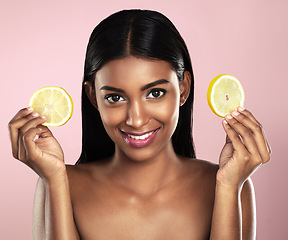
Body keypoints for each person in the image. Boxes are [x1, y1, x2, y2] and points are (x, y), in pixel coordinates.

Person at [8, 9, 271, 240]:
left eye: (155, 93)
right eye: (115, 97)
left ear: (183, 88)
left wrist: (226, 188)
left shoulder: (232, 185)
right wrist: (54, 179)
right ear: (93, 97)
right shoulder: (58, 183)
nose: (136, 119)